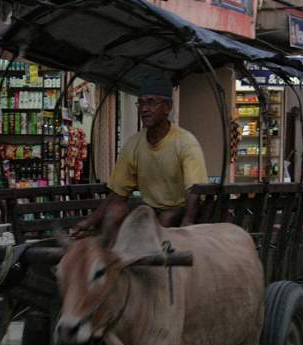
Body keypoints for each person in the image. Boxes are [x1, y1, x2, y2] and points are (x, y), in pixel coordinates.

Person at [73, 73, 208, 236]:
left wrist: (188, 224)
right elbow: (118, 194)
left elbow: (194, 191)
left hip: (180, 209)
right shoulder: (133, 145)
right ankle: (117, 257)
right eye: (141, 103)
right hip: (150, 211)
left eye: (151, 103)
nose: (144, 109)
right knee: (116, 212)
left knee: (166, 218)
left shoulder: (185, 142)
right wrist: (91, 220)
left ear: (167, 107)